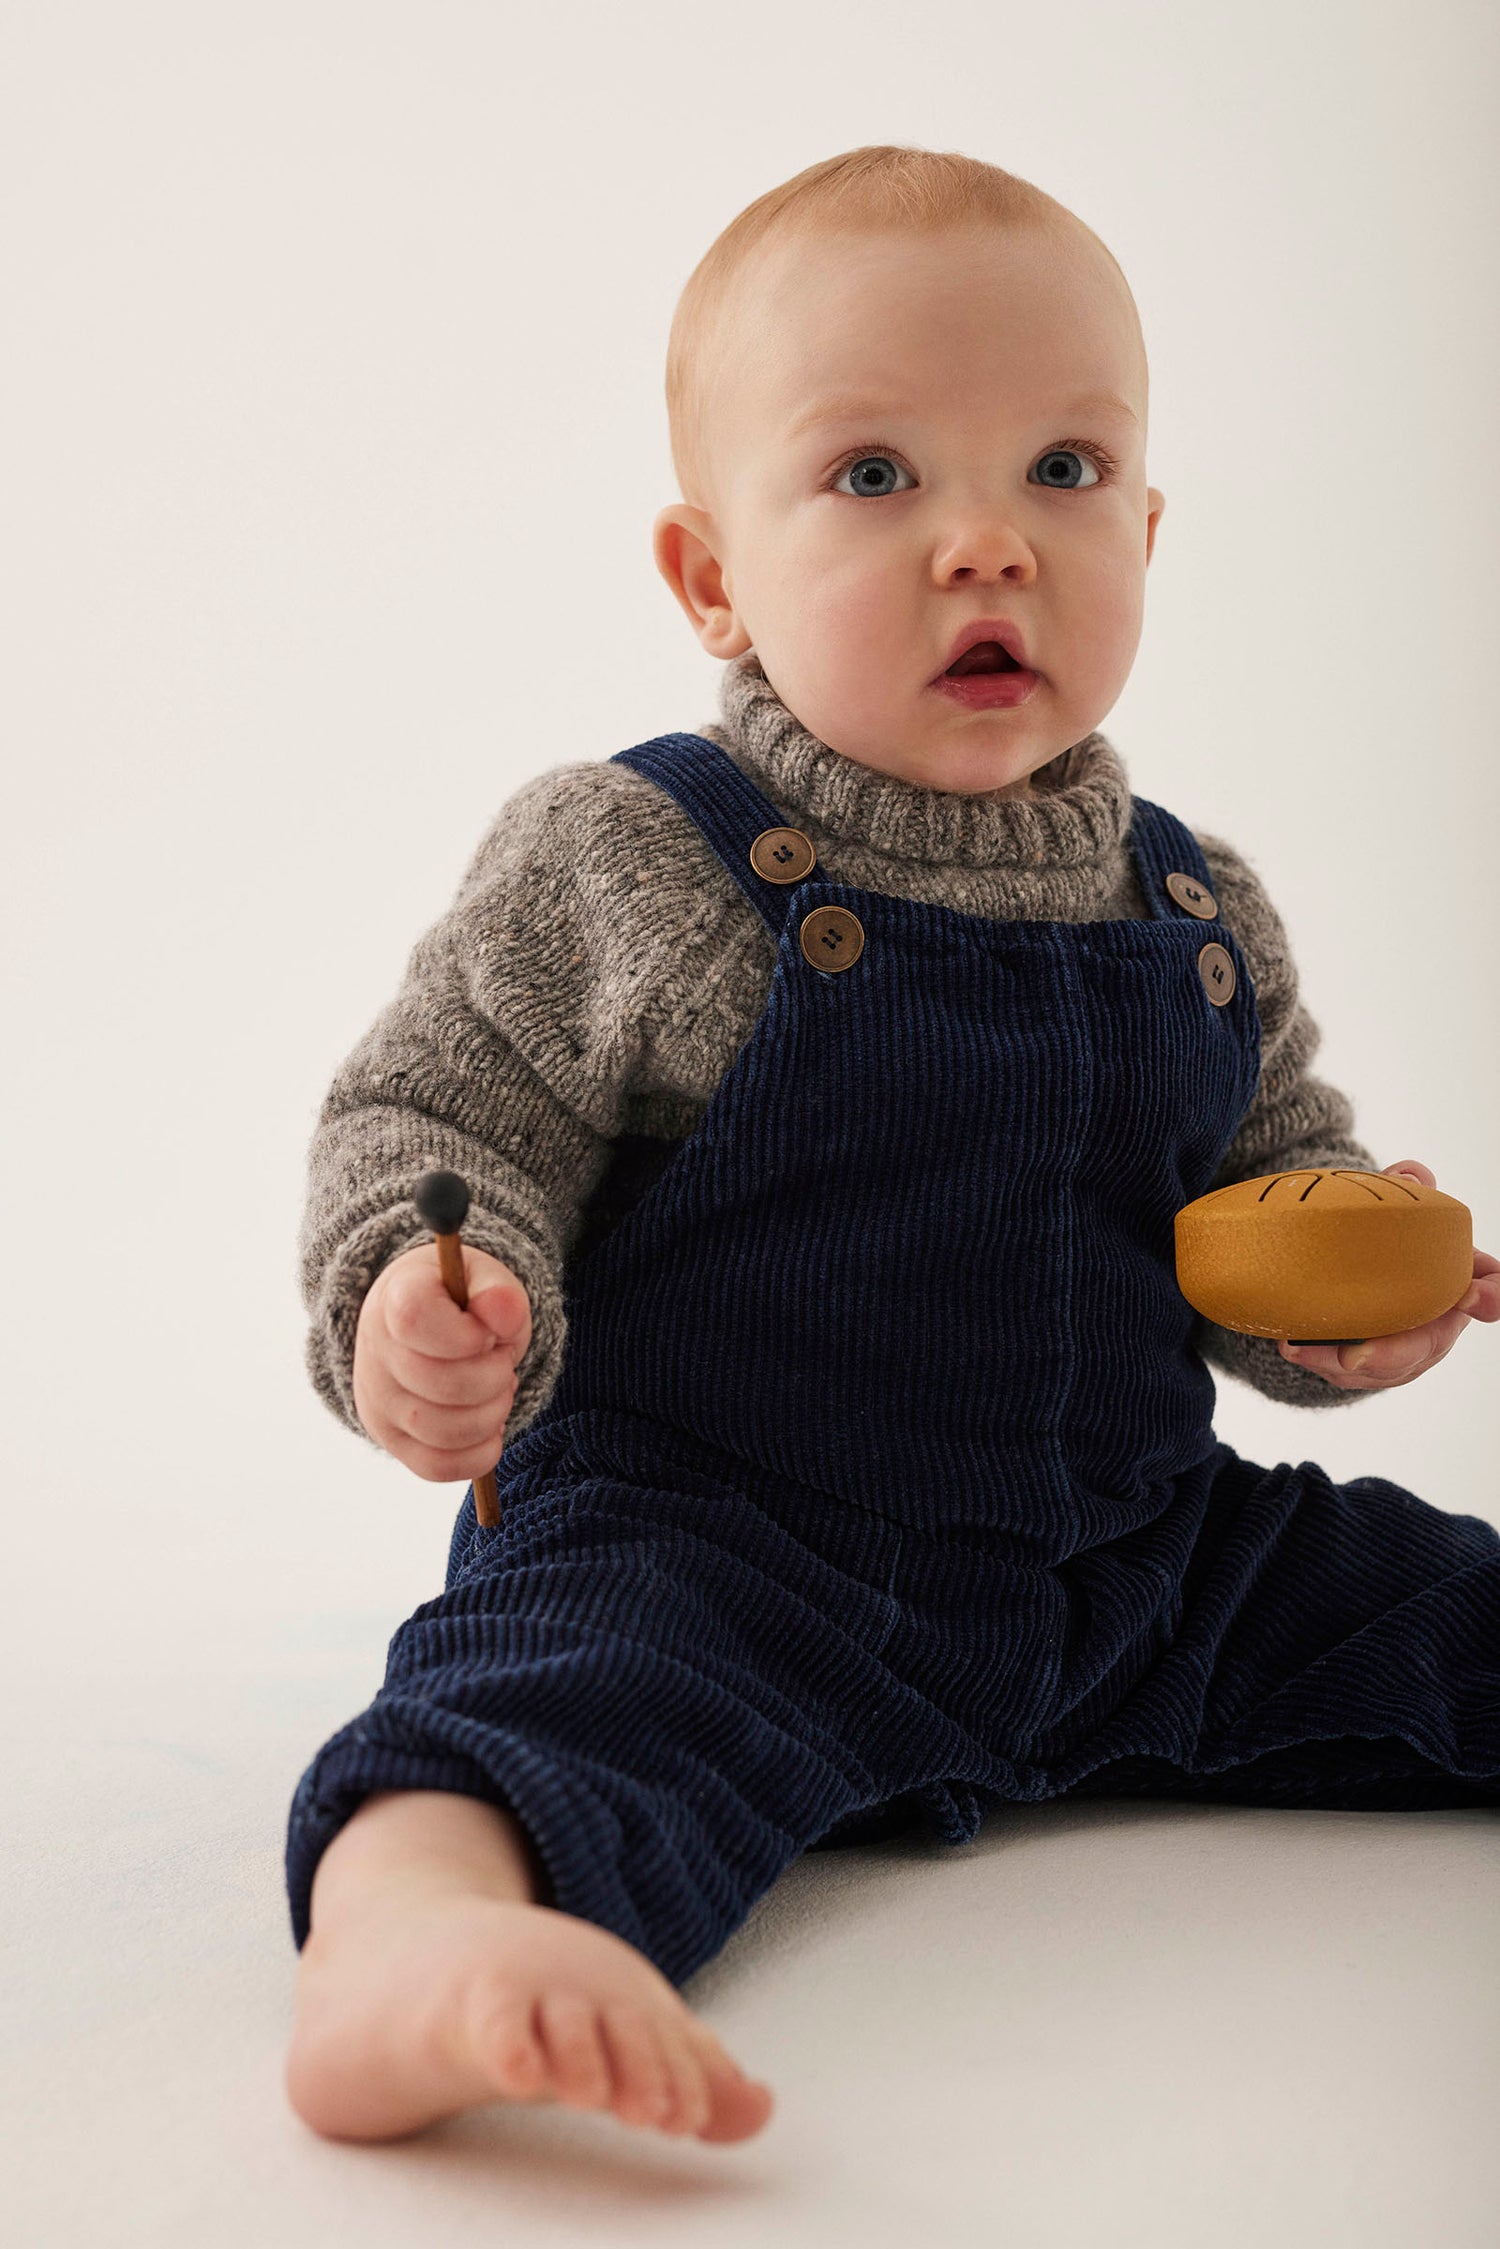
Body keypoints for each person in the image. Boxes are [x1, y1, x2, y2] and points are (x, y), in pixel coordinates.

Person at [282, 145, 1500, 2148]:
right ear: (711, 580)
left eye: (1064, 472)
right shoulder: (634, 857)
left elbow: (1260, 1199)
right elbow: (436, 1109)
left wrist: (1361, 1308)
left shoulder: (1194, 909)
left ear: (1151, 524)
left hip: (1131, 1558)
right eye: (873, 476)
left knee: (1428, 1609)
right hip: (727, 1550)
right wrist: (424, 1293)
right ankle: (412, 1943)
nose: (986, 547)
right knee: (535, 1708)